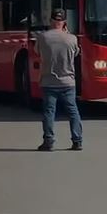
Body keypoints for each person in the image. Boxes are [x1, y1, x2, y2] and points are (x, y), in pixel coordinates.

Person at [36, 9, 83, 152]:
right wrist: (66, 34)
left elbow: (37, 52)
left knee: (49, 112)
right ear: (64, 22)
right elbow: (76, 53)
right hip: (68, 82)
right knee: (73, 111)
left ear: (51, 21)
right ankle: (77, 141)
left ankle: (48, 141)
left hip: (49, 82)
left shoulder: (42, 37)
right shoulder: (72, 38)